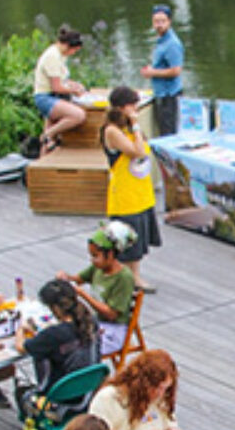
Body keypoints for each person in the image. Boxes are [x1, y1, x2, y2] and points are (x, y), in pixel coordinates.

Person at [88, 349, 185, 430]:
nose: (160, 394)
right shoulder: (108, 399)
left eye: (165, 388)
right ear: (140, 383)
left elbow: (170, 425)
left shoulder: (160, 398)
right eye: (156, 388)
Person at [101, 86, 160, 292]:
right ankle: (128, 279)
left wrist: (135, 126)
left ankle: (134, 276)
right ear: (122, 107)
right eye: (132, 105)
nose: (136, 109)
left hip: (140, 190)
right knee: (127, 241)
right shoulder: (112, 131)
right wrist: (135, 124)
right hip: (124, 194)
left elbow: (144, 147)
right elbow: (137, 151)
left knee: (139, 239)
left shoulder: (129, 128)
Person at [57, 223, 137, 358]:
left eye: (95, 256)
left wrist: (83, 295)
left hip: (112, 331)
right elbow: (79, 279)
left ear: (110, 254)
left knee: (73, 351)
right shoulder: (98, 268)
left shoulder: (124, 278)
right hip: (94, 322)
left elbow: (112, 314)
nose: (92, 260)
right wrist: (66, 277)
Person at [21, 278, 99, 399]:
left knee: (21, 392)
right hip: (88, 390)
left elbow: (21, 347)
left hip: (59, 397)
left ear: (55, 308)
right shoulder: (90, 321)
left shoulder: (53, 334)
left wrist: (20, 329)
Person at [32, 25, 87, 154]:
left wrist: (74, 85)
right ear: (69, 46)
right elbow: (56, 87)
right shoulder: (52, 56)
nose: (73, 54)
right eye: (74, 50)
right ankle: (46, 135)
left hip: (54, 96)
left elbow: (62, 79)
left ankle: (45, 150)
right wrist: (74, 91)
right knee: (78, 115)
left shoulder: (60, 54)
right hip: (45, 98)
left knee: (48, 146)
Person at [140, 3, 184, 137]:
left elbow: (176, 70)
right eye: (156, 21)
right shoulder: (161, 41)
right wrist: (151, 69)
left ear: (169, 22)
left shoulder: (172, 44)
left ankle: (170, 159)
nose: (159, 25)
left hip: (169, 96)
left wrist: (152, 73)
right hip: (160, 94)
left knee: (168, 134)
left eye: (162, 21)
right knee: (163, 132)